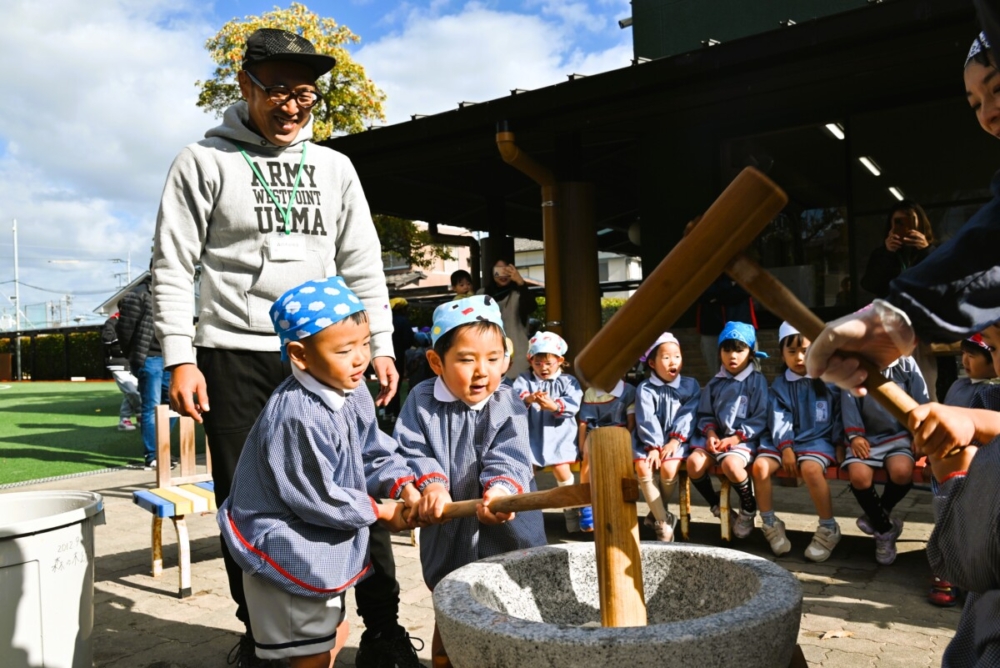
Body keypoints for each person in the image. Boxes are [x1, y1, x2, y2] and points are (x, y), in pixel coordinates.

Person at [150, 28, 415, 668]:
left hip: (330, 355)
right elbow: (172, 264)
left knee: (353, 482)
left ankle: (382, 627)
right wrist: (181, 355)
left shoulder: (334, 169)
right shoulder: (203, 161)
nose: (293, 106)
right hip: (235, 354)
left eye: (306, 93)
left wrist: (377, 343)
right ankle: (261, 634)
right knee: (249, 504)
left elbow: (362, 261)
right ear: (246, 86)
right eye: (278, 91)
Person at [218, 278, 415, 667]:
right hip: (286, 544)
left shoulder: (352, 388)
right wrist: (380, 511)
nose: (360, 358)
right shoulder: (296, 414)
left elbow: (373, 449)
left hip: (316, 541)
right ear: (300, 354)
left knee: (330, 633)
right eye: (345, 350)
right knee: (308, 653)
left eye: (364, 344)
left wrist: (404, 484)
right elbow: (318, 496)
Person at [385, 295, 547, 666]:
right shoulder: (422, 402)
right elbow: (411, 448)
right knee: (452, 607)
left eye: (493, 359)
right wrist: (433, 486)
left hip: (507, 532)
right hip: (450, 531)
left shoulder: (508, 402)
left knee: (510, 610)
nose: (482, 371)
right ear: (436, 362)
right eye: (467, 359)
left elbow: (513, 455)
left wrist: (502, 488)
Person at [752, 323, 842, 562]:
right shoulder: (780, 385)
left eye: (805, 350)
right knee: (760, 468)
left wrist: (841, 443)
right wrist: (786, 447)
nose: (799, 357)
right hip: (782, 441)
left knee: (811, 468)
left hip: (816, 439)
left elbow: (840, 415)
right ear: (782, 353)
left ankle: (828, 527)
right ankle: (770, 523)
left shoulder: (830, 381)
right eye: (791, 352)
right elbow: (779, 417)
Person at [841, 353, 929, 565]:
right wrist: (855, 436)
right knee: (859, 476)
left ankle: (877, 516)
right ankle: (885, 530)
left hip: (899, 436)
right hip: (866, 438)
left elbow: (921, 400)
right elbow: (849, 402)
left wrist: (919, 433)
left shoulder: (907, 365)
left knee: (902, 471)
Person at [688, 322, 769, 538]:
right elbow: (705, 414)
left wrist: (736, 438)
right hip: (716, 441)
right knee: (693, 463)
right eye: (727, 349)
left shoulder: (757, 381)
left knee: (730, 465)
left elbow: (761, 417)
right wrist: (711, 433)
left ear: (751, 353)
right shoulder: (715, 383)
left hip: (744, 441)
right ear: (720, 352)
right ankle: (716, 506)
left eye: (739, 350)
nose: (732, 355)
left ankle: (748, 508)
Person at [860, 200, 942, 400]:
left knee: (926, 383)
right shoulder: (882, 254)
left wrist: (926, 251)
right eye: (898, 222)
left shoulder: (934, 252)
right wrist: (888, 254)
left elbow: (942, 283)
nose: (903, 228)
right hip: (890, 329)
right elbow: (870, 284)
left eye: (910, 222)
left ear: (920, 224)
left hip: (922, 330)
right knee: (893, 383)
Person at [512, 331, 584, 533]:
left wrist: (554, 405)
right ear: (530, 360)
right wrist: (530, 399)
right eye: (537, 363)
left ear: (560, 361)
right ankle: (524, 511)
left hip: (558, 435)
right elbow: (517, 395)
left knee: (562, 470)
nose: (543, 368)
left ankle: (571, 509)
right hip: (532, 434)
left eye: (548, 363)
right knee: (527, 471)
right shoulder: (525, 379)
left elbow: (573, 403)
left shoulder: (569, 382)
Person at [633, 332, 701, 543]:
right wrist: (653, 445)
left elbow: (689, 415)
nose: (673, 361)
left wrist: (675, 440)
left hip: (678, 440)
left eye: (677, 356)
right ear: (652, 363)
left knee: (669, 469)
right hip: (647, 439)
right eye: (666, 357)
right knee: (643, 468)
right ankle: (664, 521)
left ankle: (655, 514)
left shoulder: (690, 386)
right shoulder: (645, 388)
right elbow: (646, 418)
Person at [117, 275, 174, 469]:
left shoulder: (172, 293)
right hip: (149, 359)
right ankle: (153, 455)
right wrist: (133, 356)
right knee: (151, 406)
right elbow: (124, 329)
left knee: (172, 406)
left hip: (171, 357)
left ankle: (164, 451)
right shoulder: (138, 295)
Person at [578, 371, 638, 534]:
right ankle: (586, 505)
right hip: (595, 432)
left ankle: (618, 509)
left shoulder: (629, 391)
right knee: (589, 457)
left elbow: (631, 422)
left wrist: (624, 439)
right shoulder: (591, 392)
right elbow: (584, 422)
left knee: (619, 467)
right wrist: (582, 445)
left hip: (619, 432)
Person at [479, 258, 534, 380]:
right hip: (488, 355)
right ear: (491, 272)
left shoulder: (518, 294)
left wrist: (520, 282)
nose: (503, 275)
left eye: (507, 270)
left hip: (518, 358)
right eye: (498, 270)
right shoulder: (481, 295)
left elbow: (531, 307)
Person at [695, 276, 757, 371]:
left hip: (742, 323)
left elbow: (746, 288)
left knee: (751, 373)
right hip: (711, 325)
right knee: (717, 374)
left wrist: (716, 297)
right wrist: (728, 287)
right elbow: (700, 292)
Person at [101, 310, 140, 431]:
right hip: (117, 364)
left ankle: (124, 420)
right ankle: (141, 415)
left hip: (132, 363)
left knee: (131, 392)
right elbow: (106, 339)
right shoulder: (111, 322)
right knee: (132, 392)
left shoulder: (133, 322)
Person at [388, 297, 415, 421]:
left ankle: (385, 410)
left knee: (384, 382)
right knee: (396, 384)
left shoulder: (386, 320)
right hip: (399, 356)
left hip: (385, 355)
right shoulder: (404, 321)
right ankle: (395, 413)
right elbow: (408, 340)